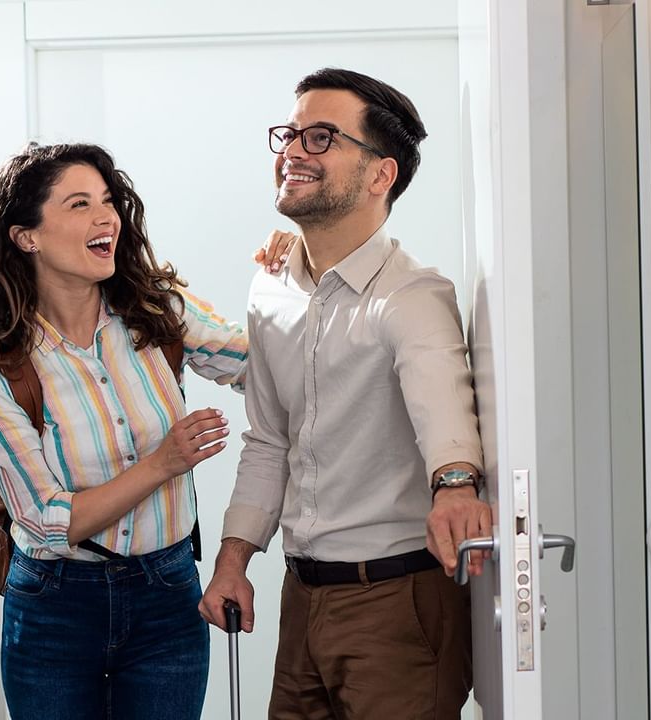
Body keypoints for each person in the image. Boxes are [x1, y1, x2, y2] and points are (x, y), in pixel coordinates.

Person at [197, 68, 493, 719]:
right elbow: (269, 440)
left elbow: (442, 405)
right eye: (292, 133)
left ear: (380, 175)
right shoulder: (269, 289)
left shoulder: (410, 296)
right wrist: (232, 560)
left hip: (399, 603)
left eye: (322, 137)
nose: (294, 151)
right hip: (301, 601)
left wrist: (455, 483)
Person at [0, 142, 289, 720]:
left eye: (109, 201)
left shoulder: (155, 312)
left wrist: (289, 282)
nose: (106, 217)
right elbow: (46, 518)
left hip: (166, 595)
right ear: (25, 236)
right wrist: (162, 464)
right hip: (53, 607)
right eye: (80, 204)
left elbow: (266, 367)